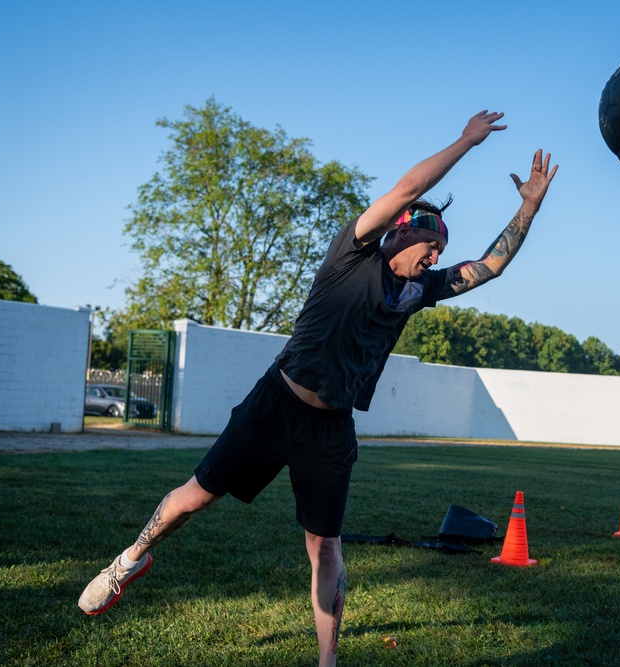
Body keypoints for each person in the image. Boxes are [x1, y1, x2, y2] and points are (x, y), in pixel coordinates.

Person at [77, 110, 557, 666]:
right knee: (192, 499)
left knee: (324, 546)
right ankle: (129, 560)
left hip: (330, 428)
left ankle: (327, 662)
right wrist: (466, 142)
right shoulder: (350, 255)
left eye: (440, 251)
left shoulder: (419, 291)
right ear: (400, 235)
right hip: (274, 403)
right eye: (429, 245)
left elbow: (490, 267)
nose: (436, 257)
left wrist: (529, 207)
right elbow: (409, 187)